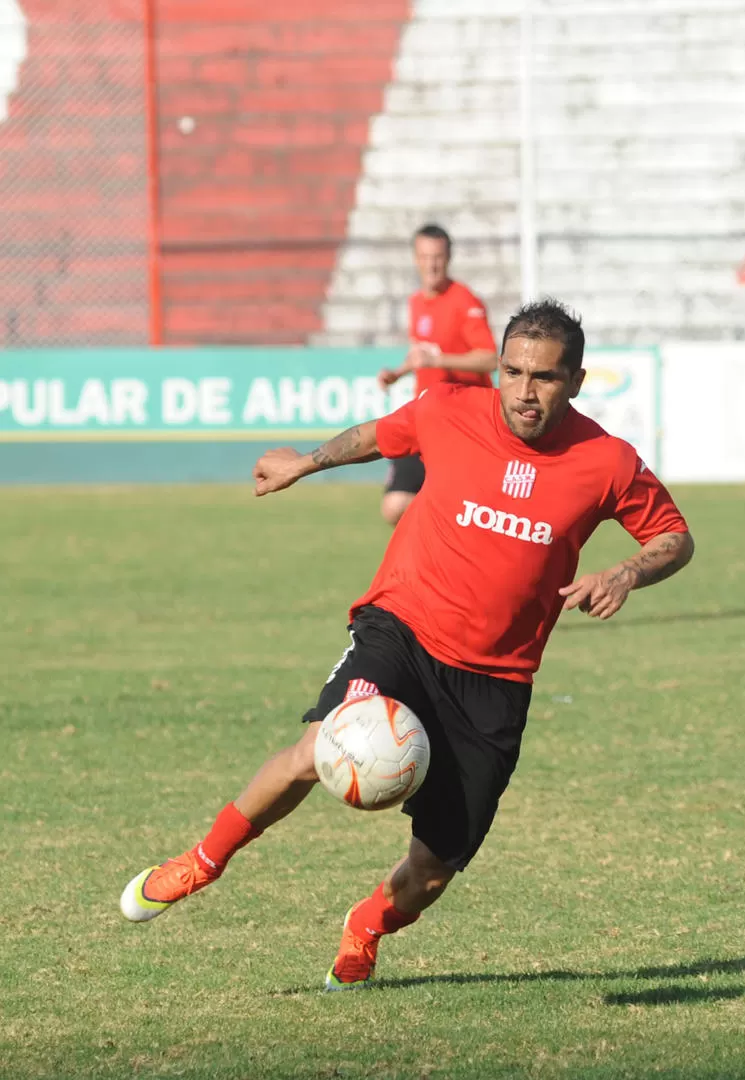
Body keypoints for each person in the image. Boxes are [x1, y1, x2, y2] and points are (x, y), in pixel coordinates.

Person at [120, 299, 695, 991]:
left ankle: (366, 925)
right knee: (318, 748)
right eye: (511, 371)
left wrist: (626, 571)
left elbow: (675, 536)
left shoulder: (606, 460)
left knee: (430, 873)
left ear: (573, 379)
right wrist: (306, 462)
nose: (523, 390)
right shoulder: (449, 409)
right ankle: (202, 862)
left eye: (543, 377)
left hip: (495, 684)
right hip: (404, 631)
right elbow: (378, 435)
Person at [376, 223, 499, 526]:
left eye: (438, 256)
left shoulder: (465, 302)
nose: (431, 264)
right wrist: (398, 373)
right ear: (416, 259)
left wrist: (439, 358)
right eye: (425, 256)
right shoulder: (416, 302)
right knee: (394, 506)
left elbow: (490, 359)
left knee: (464, 509)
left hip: (464, 420)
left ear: (449, 257)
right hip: (426, 415)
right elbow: (423, 353)